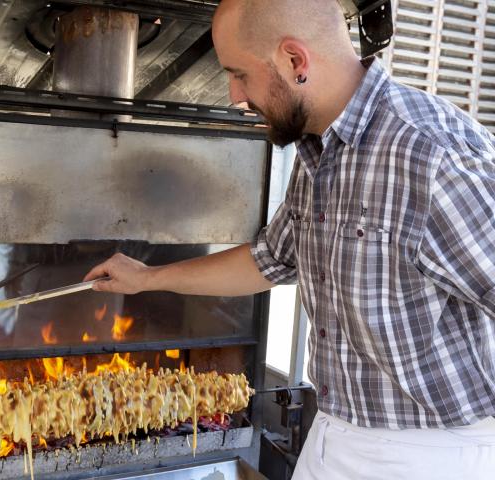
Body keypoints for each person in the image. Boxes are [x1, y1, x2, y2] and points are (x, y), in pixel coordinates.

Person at [85, 0, 495, 478]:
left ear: (295, 61)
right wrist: (147, 278)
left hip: (434, 452)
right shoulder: (318, 147)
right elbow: (269, 260)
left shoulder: (431, 155)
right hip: (336, 430)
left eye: (240, 74)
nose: (235, 94)